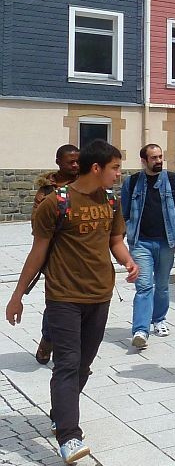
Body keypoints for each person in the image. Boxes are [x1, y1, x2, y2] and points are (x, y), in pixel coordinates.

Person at [5, 140, 139, 465]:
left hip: (100, 295)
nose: (119, 174)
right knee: (67, 363)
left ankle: (60, 412)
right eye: (115, 168)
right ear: (96, 168)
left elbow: (115, 240)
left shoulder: (111, 201)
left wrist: (127, 261)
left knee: (83, 365)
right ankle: (69, 436)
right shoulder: (56, 202)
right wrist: (17, 296)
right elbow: (37, 252)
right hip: (64, 296)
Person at [122, 144, 175, 349]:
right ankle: (140, 331)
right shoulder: (132, 182)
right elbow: (123, 213)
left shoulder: (173, 181)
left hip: (167, 242)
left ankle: (159, 319)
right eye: (154, 158)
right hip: (140, 242)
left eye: (160, 157)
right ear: (144, 161)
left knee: (161, 285)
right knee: (144, 286)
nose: (159, 161)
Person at [31, 144, 80, 365]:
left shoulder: (85, 185)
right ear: (58, 162)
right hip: (55, 257)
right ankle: (48, 339)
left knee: (81, 304)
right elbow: (37, 224)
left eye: (78, 161)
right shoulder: (46, 192)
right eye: (71, 162)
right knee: (57, 303)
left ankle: (73, 351)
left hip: (82, 255)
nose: (76, 165)